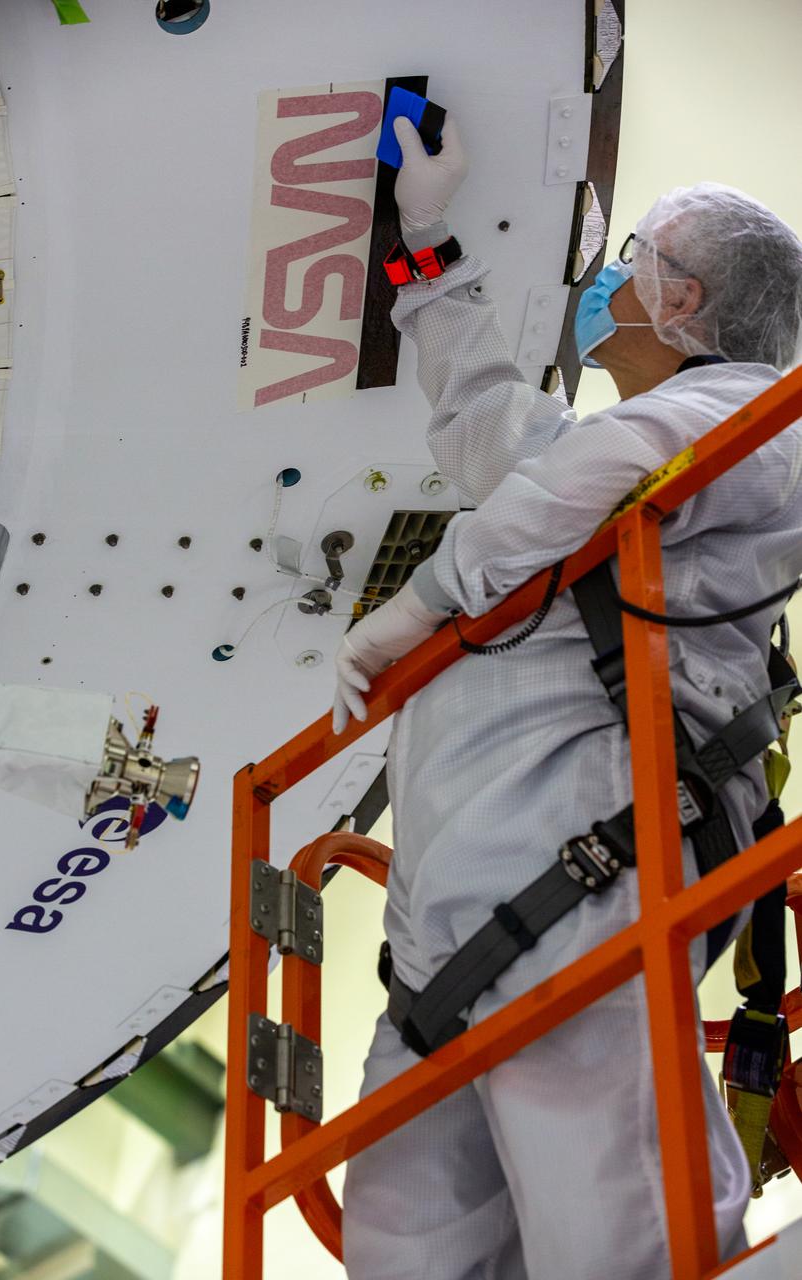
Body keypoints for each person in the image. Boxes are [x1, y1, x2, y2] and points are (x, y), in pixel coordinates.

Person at [333, 114, 802, 1279]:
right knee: (400, 1249)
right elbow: (497, 433)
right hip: (453, 936)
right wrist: (426, 243)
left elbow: (596, 472)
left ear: (684, 302)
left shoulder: (756, 424)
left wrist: (427, 601)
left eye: (633, 259)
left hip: (584, 877)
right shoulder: (631, 448)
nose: (609, 281)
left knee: (617, 1240)